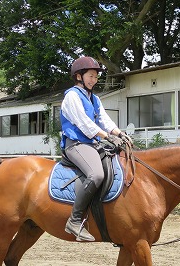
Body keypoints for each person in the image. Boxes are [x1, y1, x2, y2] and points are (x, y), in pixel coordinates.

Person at [60, 56, 132, 241]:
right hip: (75, 144)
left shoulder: (94, 99)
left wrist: (119, 133)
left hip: (91, 144)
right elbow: (85, 124)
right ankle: (74, 221)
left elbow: (103, 120)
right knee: (96, 175)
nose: (94, 80)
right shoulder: (72, 96)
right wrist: (108, 136)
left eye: (95, 77)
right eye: (90, 76)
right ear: (79, 76)